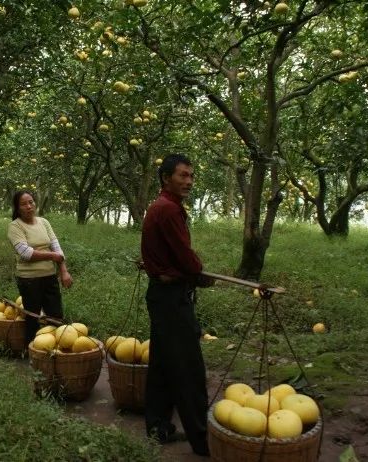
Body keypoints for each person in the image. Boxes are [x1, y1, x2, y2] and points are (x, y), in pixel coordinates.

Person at [140, 154, 214, 457]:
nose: (189, 182)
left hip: (161, 294)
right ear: (166, 177)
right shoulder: (169, 210)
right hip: (171, 300)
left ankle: (158, 426)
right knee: (188, 369)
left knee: (162, 365)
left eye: (191, 176)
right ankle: (202, 440)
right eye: (183, 176)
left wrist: (185, 271)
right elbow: (187, 258)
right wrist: (198, 273)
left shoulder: (158, 207)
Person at [7, 190, 73, 344]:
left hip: (49, 276)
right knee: (33, 317)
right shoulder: (15, 226)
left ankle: (56, 349)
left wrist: (63, 271)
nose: (29, 206)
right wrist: (51, 256)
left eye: (31, 202)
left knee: (56, 315)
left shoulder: (44, 222)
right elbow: (26, 253)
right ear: (17, 208)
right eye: (24, 204)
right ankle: (32, 351)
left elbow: (57, 248)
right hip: (29, 279)